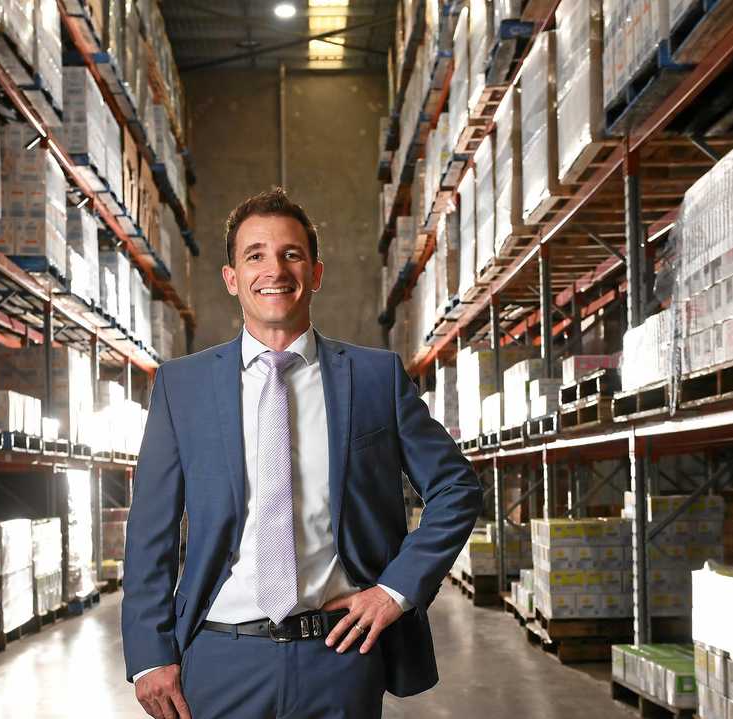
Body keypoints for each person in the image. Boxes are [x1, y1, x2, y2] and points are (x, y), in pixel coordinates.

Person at [121, 188, 483, 719]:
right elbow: (150, 530)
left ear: (315, 273)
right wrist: (149, 655)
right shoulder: (183, 387)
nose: (275, 269)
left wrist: (394, 591)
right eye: (256, 255)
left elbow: (456, 487)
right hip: (221, 656)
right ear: (232, 279)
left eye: (291, 254)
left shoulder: (374, 379)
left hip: (338, 655)